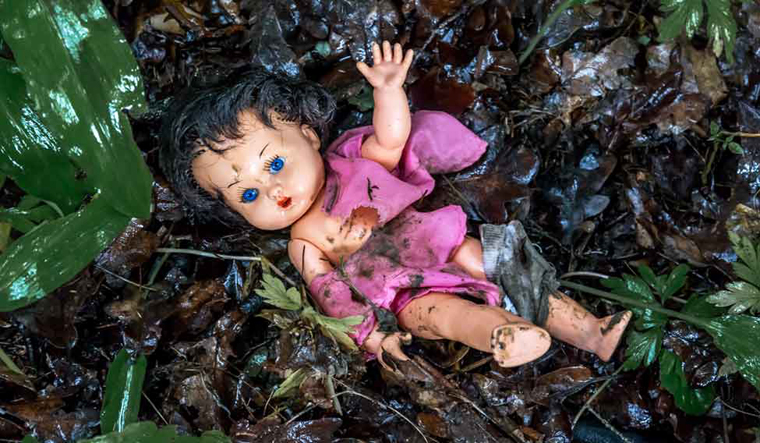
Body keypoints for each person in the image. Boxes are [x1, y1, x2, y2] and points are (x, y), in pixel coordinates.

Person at [160, 41, 631, 371]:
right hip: (400, 291)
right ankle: (502, 336)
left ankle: (590, 332)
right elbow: (331, 293)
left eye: (275, 163)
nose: (272, 189)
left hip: (438, 241)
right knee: (442, 316)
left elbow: (390, 139)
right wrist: (370, 334)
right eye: (247, 195)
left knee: (500, 260)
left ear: (307, 134)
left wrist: (388, 91)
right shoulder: (302, 243)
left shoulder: (350, 162)